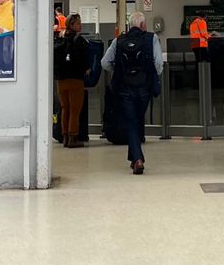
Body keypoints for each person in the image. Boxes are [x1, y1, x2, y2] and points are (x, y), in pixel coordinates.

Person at [101, 11, 163, 174]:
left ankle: (136, 159)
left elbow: (105, 63)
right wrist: (152, 76)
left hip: (124, 88)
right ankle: (138, 159)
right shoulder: (152, 38)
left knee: (131, 121)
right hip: (144, 88)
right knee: (136, 120)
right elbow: (157, 63)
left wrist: (120, 71)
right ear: (142, 25)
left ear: (130, 25)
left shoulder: (119, 40)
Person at [54, 14, 92, 148]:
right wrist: (87, 68)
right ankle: (73, 138)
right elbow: (85, 61)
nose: (80, 26)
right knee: (75, 110)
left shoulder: (60, 39)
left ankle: (64, 137)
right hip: (75, 79)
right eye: (77, 23)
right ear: (71, 25)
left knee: (65, 108)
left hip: (60, 79)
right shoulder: (80, 41)